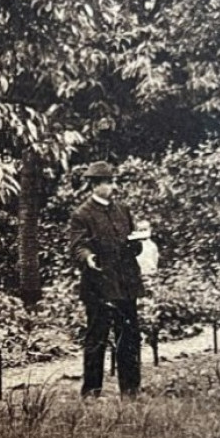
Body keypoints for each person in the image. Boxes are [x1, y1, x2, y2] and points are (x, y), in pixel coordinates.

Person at [69, 161, 143, 398]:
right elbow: (77, 246)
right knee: (96, 339)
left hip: (125, 284)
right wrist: (88, 257)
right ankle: (91, 392)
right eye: (108, 182)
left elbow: (133, 241)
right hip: (99, 285)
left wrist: (137, 243)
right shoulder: (82, 214)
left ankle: (130, 390)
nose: (113, 187)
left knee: (129, 337)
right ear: (95, 186)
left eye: (113, 181)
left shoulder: (123, 210)